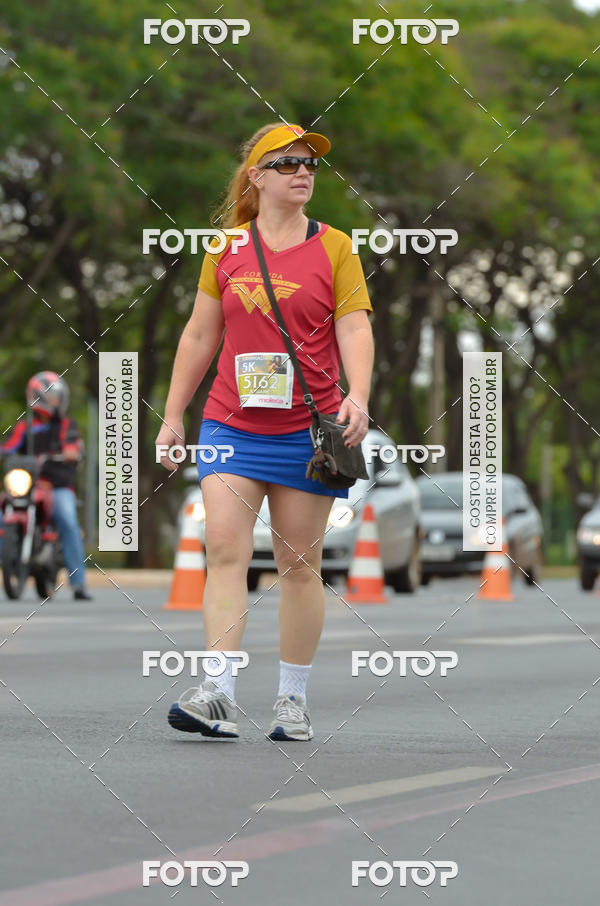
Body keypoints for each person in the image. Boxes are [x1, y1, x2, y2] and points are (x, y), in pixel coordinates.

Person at [156, 122, 374, 741]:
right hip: (230, 420)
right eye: (286, 164)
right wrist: (173, 415)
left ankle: (292, 700)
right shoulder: (224, 248)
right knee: (224, 549)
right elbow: (200, 335)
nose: (303, 172)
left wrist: (358, 395)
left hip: (308, 430)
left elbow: (355, 328)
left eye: (309, 164)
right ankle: (217, 692)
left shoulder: (335, 247)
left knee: (296, 565)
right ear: (255, 177)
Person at [0, 371, 92, 601]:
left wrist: (69, 452)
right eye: (53, 397)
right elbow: (9, 447)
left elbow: (74, 447)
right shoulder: (24, 428)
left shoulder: (67, 425)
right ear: (38, 396)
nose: (57, 402)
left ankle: (78, 583)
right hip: (26, 486)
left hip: (58, 487)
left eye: (57, 397)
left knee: (68, 520)